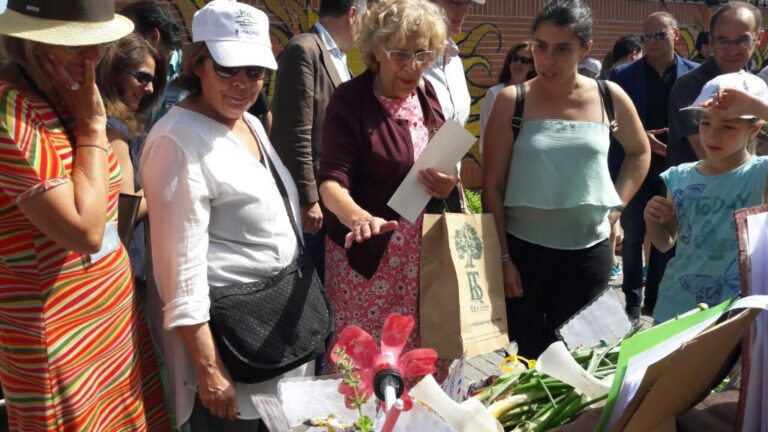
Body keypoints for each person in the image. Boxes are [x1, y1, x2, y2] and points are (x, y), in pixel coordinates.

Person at [140, 1, 312, 430]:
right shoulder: (177, 141)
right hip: (231, 359)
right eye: (227, 68)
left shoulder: (250, 123)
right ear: (199, 64)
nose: (242, 83)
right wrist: (210, 371)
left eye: (255, 71)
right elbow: (179, 275)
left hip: (275, 347)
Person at [0, 1, 170, 430]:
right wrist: (94, 127)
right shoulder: (9, 110)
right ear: (31, 43)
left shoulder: (64, 95)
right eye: (76, 47)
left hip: (111, 326)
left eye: (97, 44)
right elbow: (87, 230)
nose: (92, 59)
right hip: (59, 342)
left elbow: (115, 201)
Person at [482, 0, 650, 358]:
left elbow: (640, 152)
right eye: (540, 47)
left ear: (586, 50)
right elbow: (492, 186)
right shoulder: (513, 101)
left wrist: (617, 207)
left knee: (582, 358)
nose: (548, 60)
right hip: (525, 255)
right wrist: (503, 259)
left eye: (562, 49)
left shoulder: (609, 96)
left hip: (589, 254)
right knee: (527, 359)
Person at [318, 0, 457, 374]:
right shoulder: (351, 101)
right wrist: (359, 218)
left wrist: (447, 183)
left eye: (423, 53)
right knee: (366, 366)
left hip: (421, 261)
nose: (413, 66)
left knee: (419, 362)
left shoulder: (427, 95)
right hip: (368, 259)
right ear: (376, 51)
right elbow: (331, 182)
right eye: (400, 54)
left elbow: (442, 158)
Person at [645, 71, 768, 322]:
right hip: (675, 306)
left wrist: (754, 105)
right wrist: (653, 220)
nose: (713, 134)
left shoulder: (760, 174)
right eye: (706, 122)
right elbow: (665, 242)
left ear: (754, 130)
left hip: (735, 311)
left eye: (728, 126)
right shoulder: (680, 176)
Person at [608, 12, 699, 319]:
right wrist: (640, 137)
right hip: (636, 165)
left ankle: (657, 298)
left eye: (660, 35)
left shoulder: (694, 75)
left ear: (676, 35)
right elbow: (610, 122)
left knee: (668, 232)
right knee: (633, 234)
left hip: (679, 165)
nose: (652, 42)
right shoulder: (622, 76)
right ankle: (632, 301)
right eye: (647, 36)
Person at [270, 0, 367, 283]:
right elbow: (294, 130)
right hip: (313, 205)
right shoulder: (304, 48)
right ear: (352, 14)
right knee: (310, 287)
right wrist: (307, 197)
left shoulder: (339, 56)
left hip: (334, 200)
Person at [97, 33, 167, 293]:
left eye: (153, 80)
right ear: (114, 73)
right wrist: (165, 183)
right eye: (142, 77)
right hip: (123, 264)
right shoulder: (113, 129)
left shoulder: (119, 123)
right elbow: (127, 208)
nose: (148, 88)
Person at [668, 1, 762, 169]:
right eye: (723, 41)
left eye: (743, 40)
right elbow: (712, 157)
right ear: (711, 41)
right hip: (698, 192)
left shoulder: (758, 87)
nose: (733, 50)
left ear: (758, 39)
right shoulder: (691, 85)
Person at [120, 0, 185, 124]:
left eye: (130, 37)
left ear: (154, 37)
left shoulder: (192, 74)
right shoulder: (120, 71)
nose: (122, 45)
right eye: (143, 78)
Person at [425, 0, 485, 126]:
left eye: (468, 3)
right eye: (455, 2)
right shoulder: (408, 59)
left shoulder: (454, 60)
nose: (463, 11)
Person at [479, 41, 536, 153]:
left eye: (524, 60)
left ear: (532, 66)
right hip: (500, 158)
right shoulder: (494, 93)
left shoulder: (536, 95)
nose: (518, 63)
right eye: (515, 58)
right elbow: (485, 131)